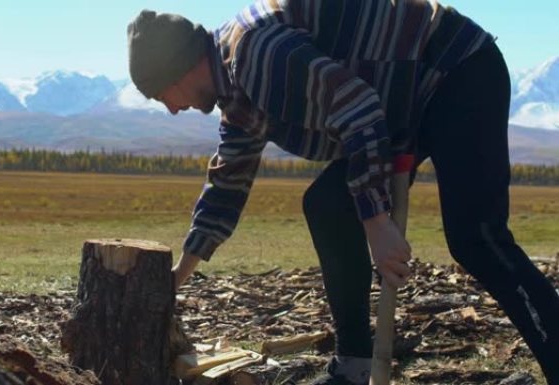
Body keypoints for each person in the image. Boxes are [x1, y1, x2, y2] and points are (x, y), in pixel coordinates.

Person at [126, 1, 559, 384]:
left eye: (160, 94)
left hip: (455, 71)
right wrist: (178, 276)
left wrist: (377, 224)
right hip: (402, 101)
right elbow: (227, 182)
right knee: (327, 205)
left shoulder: (255, 55)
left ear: (176, 67)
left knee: (477, 240)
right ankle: (354, 364)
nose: (170, 108)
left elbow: (357, 106)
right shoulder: (236, 92)